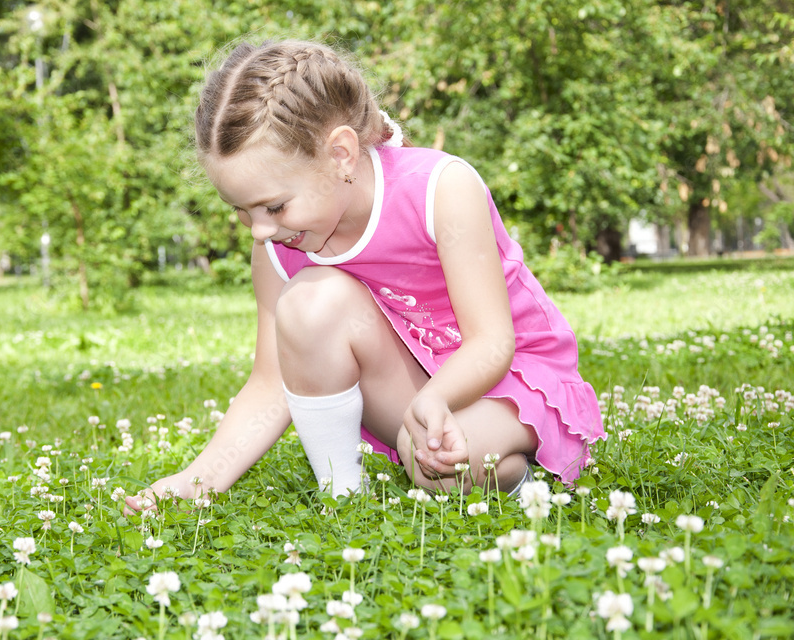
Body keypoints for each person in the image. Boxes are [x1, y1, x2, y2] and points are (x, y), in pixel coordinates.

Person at [123, 39, 605, 511]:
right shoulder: (277, 246)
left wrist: (438, 398)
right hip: (413, 397)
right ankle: (343, 497)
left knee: (431, 463)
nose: (261, 230)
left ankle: (522, 473)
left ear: (340, 155)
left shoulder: (438, 189)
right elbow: (272, 383)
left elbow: (492, 342)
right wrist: (197, 480)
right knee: (310, 302)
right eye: (241, 210)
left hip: (515, 381)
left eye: (273, 205)